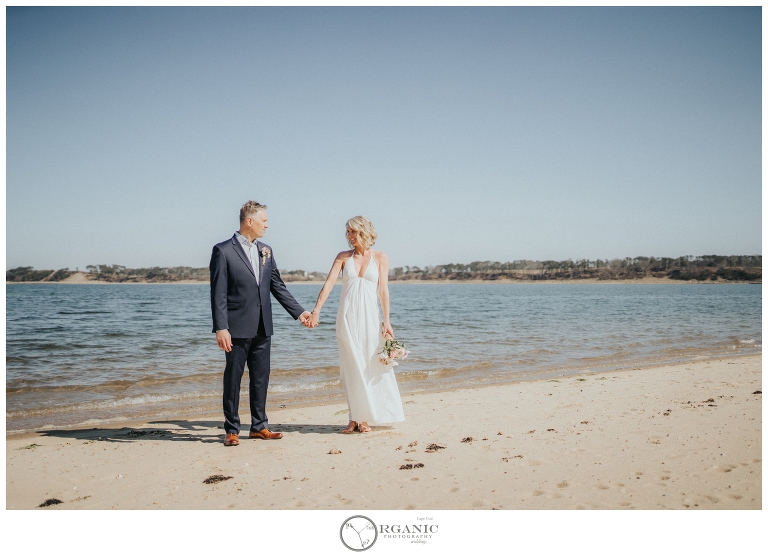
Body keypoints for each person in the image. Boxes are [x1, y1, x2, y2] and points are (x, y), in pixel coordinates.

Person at [210, 200, 313, 446]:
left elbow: (277, 285)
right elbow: (218, 294)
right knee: (233, 378)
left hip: (263, 325)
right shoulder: (223, 250)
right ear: (249, 221)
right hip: (235, 327)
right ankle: (232, 429)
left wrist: (299, 312)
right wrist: (221, 327)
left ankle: (259, 426)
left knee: (260, 377)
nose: (267, 225)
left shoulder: (266, 250)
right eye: (263, 221)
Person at [309, 216, 405, 433]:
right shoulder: (343, 257)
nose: (349, 236)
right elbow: (329, 284)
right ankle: (354, 417)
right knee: (351, 366)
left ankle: (364, 418)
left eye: (353, 231)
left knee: (369, 365)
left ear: (364, 231)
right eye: (348, 232)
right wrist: (316, 311)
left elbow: (383, 291)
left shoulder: (380, 257)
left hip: (370, 318)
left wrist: (387, 321)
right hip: (347, 318)